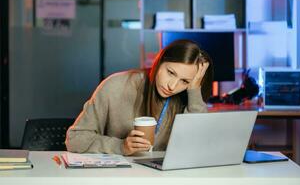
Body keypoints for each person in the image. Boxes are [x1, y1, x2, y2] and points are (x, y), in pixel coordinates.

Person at [65, 39, 213, 155]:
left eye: (185, 81)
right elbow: (74, 139)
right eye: (171, 73)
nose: (172, 86)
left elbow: (198, 146)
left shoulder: (183, 96)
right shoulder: (115, 85)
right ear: (159, 61)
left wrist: (194, 89)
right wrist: (121, 146)